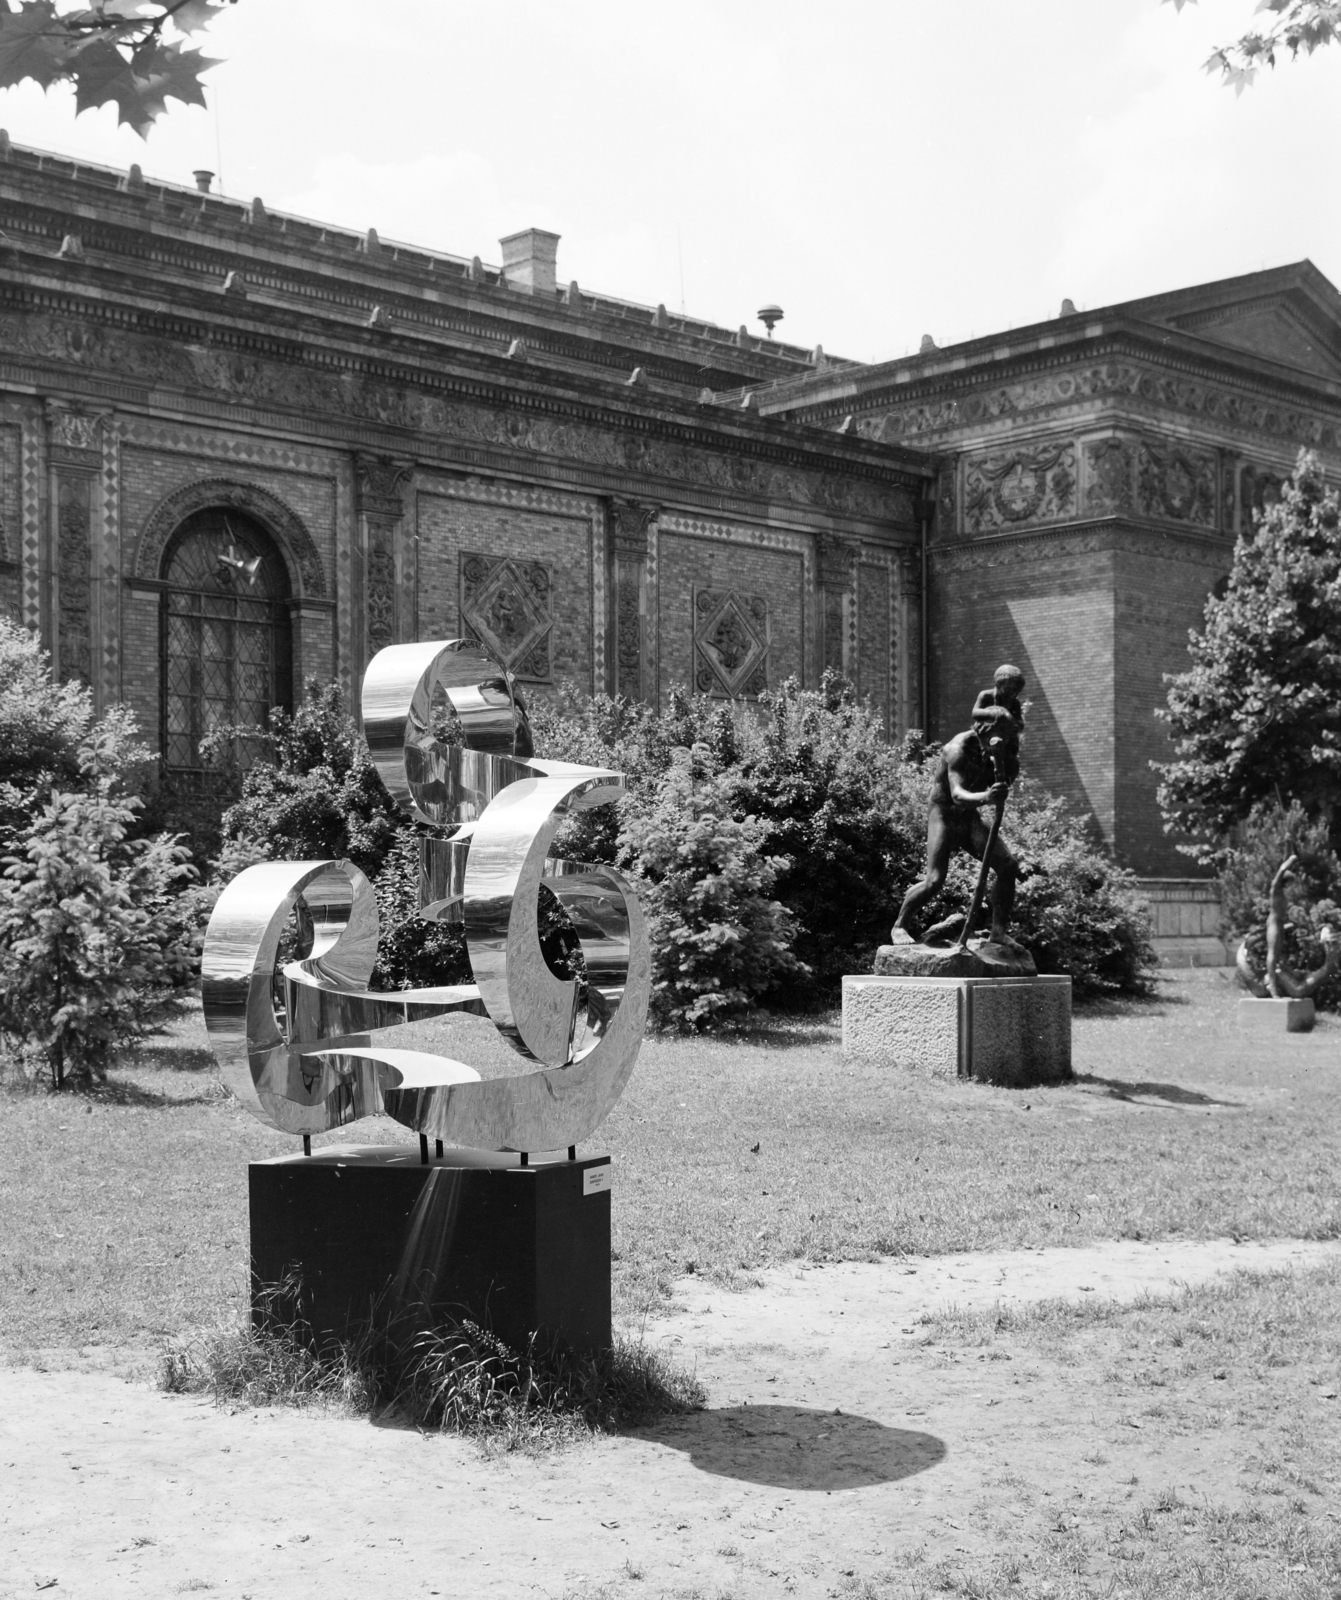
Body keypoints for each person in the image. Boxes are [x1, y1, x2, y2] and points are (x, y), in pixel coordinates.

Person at [892, 703, 1021, 945]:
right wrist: (987, 797)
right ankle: (900, 926)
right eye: (997, 739)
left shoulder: (1001, 752)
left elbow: (1007, 775)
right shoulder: (957, 749)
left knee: (1008, 865)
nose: (1001, 744)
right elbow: (958, 795)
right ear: (982, 733)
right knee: (935, 880)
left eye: (1005, 740)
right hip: (945, 815)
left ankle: (998, 931)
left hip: (969, 818)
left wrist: (1003, 772)